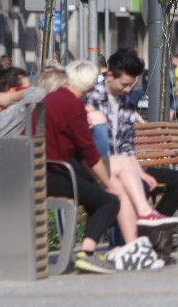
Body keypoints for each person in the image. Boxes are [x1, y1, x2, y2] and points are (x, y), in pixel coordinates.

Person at [85, 49, 178, 228]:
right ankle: (136, 235)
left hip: (127, 167)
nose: (127, 90)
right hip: (101, 168)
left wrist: (141, 172)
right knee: (139, 184)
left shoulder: (125, 102)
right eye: (124, 84)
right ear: (109, 75)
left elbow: (127, 147)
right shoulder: (91, 99)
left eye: (132, 85)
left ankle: (151, 228)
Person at [44, 60, 121, 274]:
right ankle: (86, 254)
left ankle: (87, 250)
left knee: (93, 192)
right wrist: (108, 184)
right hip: (54, 174)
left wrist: (96, 180)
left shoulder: (51, 98)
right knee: (110, 201)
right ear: (88, 85)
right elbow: (87, 151)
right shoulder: (73, 104)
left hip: (38, 170)